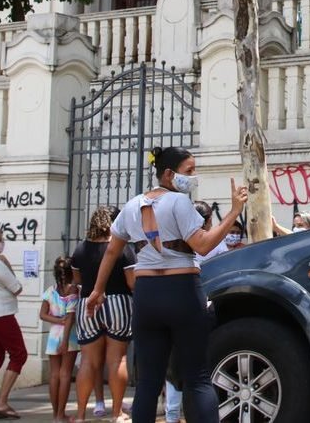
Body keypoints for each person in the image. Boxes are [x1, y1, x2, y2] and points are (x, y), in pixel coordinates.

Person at [86, 146, 248, 423]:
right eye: (189, 171)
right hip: (182, 290)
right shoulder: (179, 202)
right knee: (197, 377)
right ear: (170, 174)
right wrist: (234, 212)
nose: (193, 177)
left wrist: (97, 290)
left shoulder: (133, 204)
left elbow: (112, 251)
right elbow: (204, 245)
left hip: (147, 295)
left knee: (148, 381)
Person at [163, 200, 227, 423]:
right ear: (208, 221)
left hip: (172, 304)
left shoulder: (173, 240)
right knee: (199, 373)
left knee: (173, 366)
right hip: (202, 305)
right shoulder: (215, 243)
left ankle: (172, 415)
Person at [71, 206, 136, 422]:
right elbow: (131, 282)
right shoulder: (123, 248)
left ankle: (80, 415)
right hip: (118, 302)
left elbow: (78, 281)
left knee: (88, 361)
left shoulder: (80, 250)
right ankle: (117, 413)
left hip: (87, 304)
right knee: (117, 360)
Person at [40, 256, 79, 423]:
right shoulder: (74, 292)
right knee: (65, 375)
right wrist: (65, 340)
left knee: (54, 375)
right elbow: (70, 319)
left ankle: (56, 414)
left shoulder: (50, 291)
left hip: (52, 335)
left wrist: (57, 321)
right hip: (68, 336)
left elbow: (42, 315)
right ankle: (61, 415)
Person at [0, 228, 25, 420]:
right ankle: (1, 401)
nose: (1, 243)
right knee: (19, 354)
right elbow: (17, 288)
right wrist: (7, 264)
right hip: (2, 314)